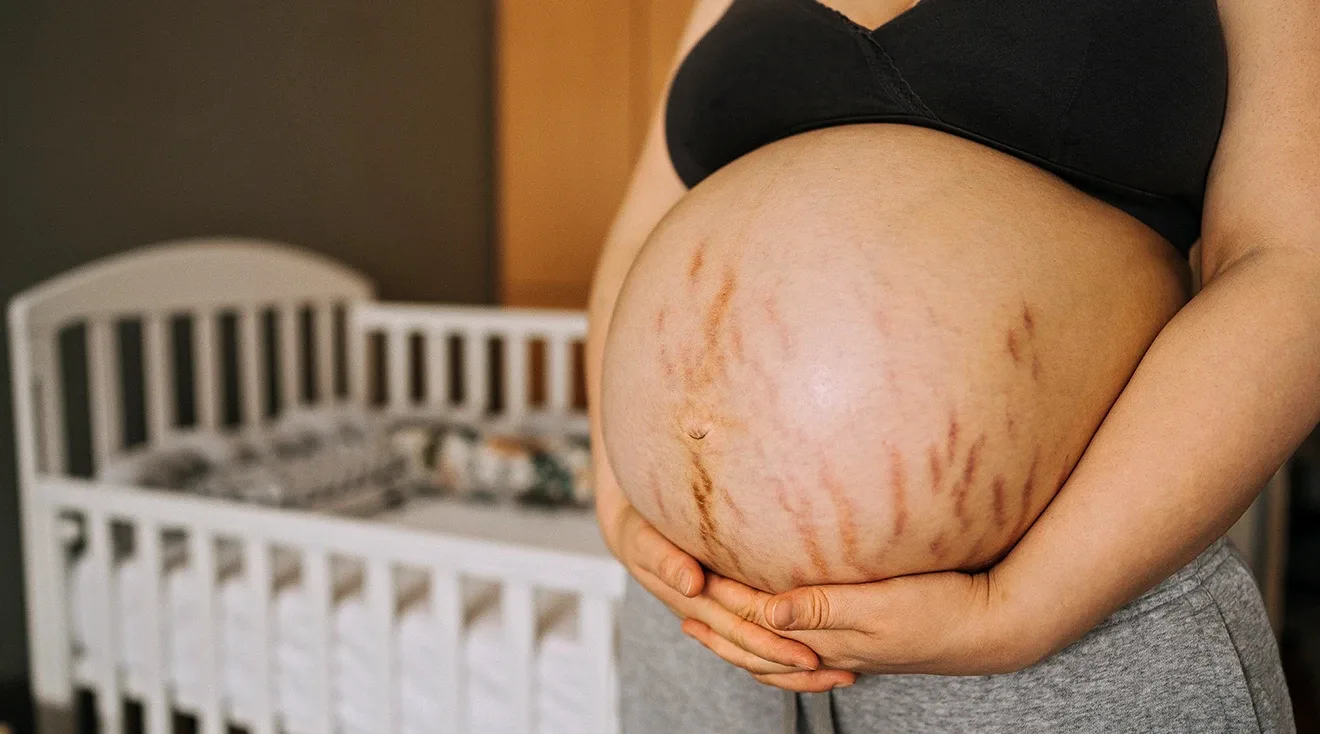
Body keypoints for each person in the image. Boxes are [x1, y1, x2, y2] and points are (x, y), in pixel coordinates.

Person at [587, 0, 1310, 731]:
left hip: (1066, 634)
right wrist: (618, 507)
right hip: (699, 632)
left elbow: (1291, 262)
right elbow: (638, 229)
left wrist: (1018, 610)